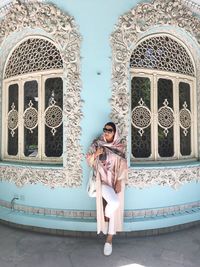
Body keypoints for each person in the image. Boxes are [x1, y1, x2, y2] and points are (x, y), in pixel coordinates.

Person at [86, 122, 128, 256]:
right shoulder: (97, 144)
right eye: (105, 129)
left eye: (109, 130)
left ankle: (109, 240)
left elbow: (123, 164)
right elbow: (89, 161)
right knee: (114, 204)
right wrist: (96, 153)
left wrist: (120, 180)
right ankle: (108, 221)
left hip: (115, 181)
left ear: (115, 132)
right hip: (101, 182)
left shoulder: (120, 146)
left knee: (115, 205)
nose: (106, 132)